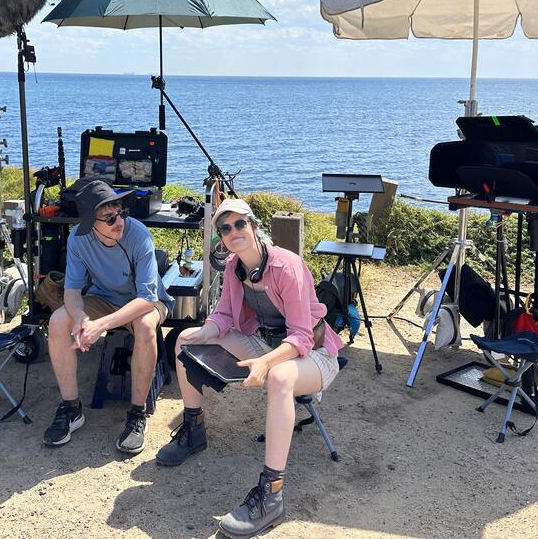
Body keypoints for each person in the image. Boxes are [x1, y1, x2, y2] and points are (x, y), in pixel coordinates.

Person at [155, 198, 343, 539]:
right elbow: (225, 316)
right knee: (184, 340)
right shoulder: (233, 268)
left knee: (281, 376)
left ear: (254, 226)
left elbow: (302, 335)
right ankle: (193, 430)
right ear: (222, 238)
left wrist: (267, 363)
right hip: (264, 343)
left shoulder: (288, 266)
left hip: (312, 355)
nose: (233, 232)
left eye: (239, 224)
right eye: (224, 229)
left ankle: (272, 495)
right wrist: (203, 331)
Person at [38, 178, 172, 455]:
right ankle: (71, 408)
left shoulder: (139, 235)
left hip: (147, 301)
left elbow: (147, 298)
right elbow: (72, 290)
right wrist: (79, 318)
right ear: (91, 224)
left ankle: (137, 414)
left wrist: (100, 325)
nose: (118, 222)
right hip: (104, 298)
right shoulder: (78, 238)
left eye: (121, 213)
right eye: (109, 218)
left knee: (146, 326)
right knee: (58, 321)